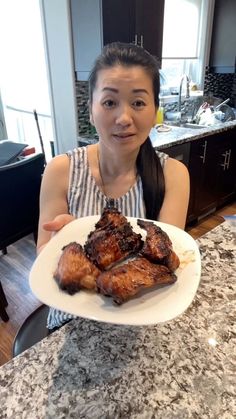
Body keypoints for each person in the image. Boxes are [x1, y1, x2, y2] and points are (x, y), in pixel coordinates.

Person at [37, 42, 190, 330]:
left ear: (155, 108)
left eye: (138, 102)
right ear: (91, 109)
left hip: (140, 321)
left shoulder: (173, 175)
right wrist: (62, 243)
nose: (123, 118)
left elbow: (168, 263)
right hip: (71, 323)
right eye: (109, 102)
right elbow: (43, 260)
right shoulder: (61, 171)